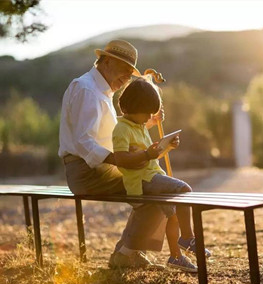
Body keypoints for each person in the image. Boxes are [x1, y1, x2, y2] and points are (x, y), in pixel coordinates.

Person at [58, 40, 169, 269]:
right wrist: (116, 159)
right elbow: (84, 141)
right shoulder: (87, 89)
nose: (127, 79)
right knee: (156, 186)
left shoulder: (100, 90)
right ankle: (126, 254)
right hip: (86, 172)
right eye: (125, 71)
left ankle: (127, 252)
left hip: (95, 168)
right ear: (107, 61)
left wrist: (143, 121)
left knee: (155, 184)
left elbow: (111, 134)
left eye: (131, 74)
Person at [112, 77, 210, 272]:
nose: (149, 117)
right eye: (147, 113)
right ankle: (187, 238)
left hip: (151, 175)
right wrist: (147, 153)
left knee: (172, 215)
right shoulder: (121, 129)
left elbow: (150, 157)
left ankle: (175, 256)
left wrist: (166, 148)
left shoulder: (139, 127)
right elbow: (121, 159)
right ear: (132, 108)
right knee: (183, 188)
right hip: (140, 181)